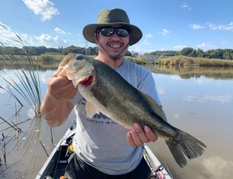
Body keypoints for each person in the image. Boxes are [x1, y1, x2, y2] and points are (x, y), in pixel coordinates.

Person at [40, 8, 162, 179]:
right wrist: (53, 96)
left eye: (122, 32)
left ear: (128, 39)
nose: (115, 37)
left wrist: (151, 133)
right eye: (106, 31)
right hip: (85, 166)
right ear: (96, 37)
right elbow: (54, 121)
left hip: (132, 168)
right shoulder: (82, 74)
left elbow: (155, 118)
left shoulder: (142, 75)